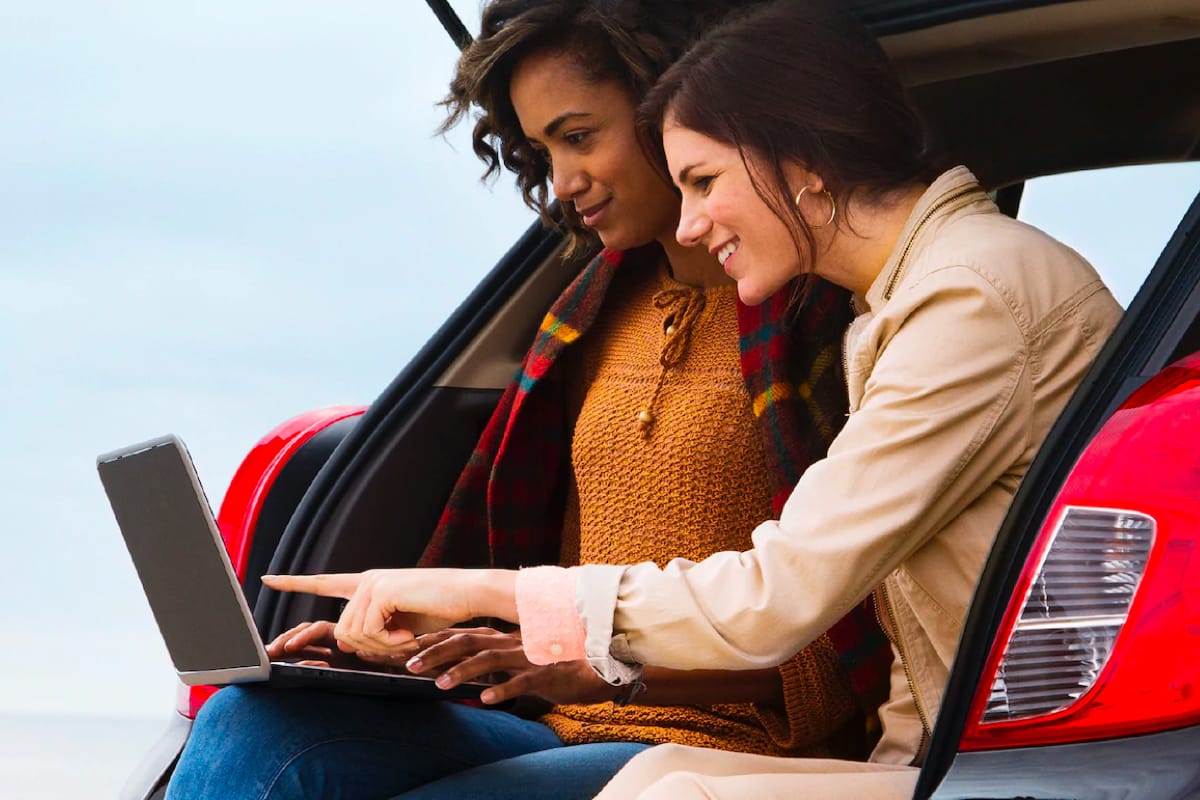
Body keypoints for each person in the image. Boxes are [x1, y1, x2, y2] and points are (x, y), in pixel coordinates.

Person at [262, 0, 1126, 797]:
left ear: (801, 158)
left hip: (1017, 763)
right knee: (271, 724)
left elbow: (779, 598)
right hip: (933, 754)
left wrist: (490, 593)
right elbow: (911, 646)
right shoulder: (905, 304)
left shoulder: (968, 294)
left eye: (704, 181)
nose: (687, 224)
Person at [167, 2, 890, 798]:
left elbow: (843, 651)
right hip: (552, 722)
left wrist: (599, 672)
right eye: (542, 149)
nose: (563, 180)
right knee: (248, 718)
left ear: (675, 114)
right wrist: (414, 644)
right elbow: (554, 596)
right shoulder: (587, 313)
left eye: (580, 136)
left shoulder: (824, 322)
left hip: (731, 750)